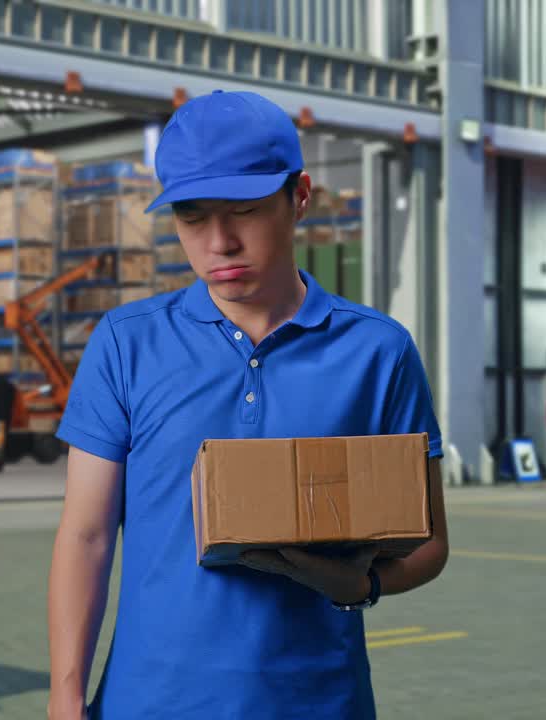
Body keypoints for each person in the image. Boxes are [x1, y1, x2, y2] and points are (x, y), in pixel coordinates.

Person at [46, 90, 450, 720]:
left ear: (301, 197)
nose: (220, 243)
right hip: (150, 702)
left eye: (245, 210)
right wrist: (65, 699)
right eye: (192, 218)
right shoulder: (128, 344)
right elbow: (86, 535)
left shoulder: (378, 353)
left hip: (318, 701)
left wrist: (364, 585)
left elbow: (428, 544)